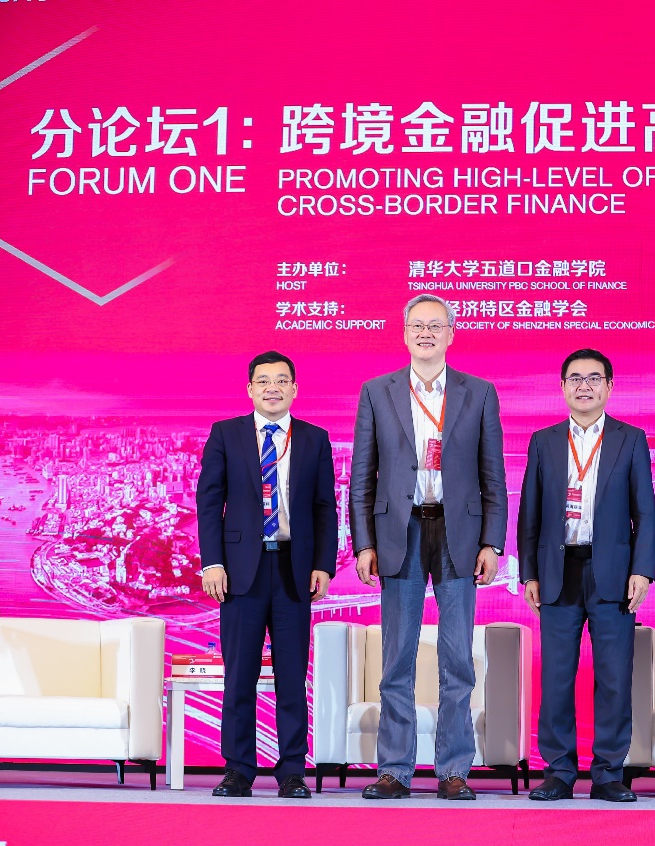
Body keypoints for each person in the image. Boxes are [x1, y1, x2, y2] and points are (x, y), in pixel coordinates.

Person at [350, 294, 508, 801]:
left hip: (459, 533)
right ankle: (395, 769)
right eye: (417, 325)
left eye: (435, 326)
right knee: (397, 656)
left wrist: (492, 542)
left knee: (457, 656)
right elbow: (362, 476)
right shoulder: (377, 391)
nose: (425, 333)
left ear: (451, 334)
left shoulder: (478, 392)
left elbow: (493, 476)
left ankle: (454, 769)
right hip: (400, 532)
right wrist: (364, 543)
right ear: (403, 334)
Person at [196, 350, 336, 799]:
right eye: (263, 381)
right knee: (240, 675)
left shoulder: (315, 439)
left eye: (281, 380)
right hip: (241, 573)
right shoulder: (226, 434)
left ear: (294, 389)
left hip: (294, 569)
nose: (272, 387)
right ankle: (238, 769)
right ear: (250, 389)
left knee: (292, 677)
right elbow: (208, 503)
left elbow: (325, 508)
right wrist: (212, 563)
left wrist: (324, 564)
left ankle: (292, 769)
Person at [518, 349, 655, 802]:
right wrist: (529, 572)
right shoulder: (544, 441)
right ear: (562, 387)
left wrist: (642, 570)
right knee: (557, 677)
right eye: (575, 378)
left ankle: (608, 772)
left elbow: (645, 512)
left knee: (614, 676)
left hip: (612, 573)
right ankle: (559, 771)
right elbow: (529, 513)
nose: (584, 386)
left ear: (609, 387)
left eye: (594, 378)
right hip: (558, 571)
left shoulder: (630, 439)